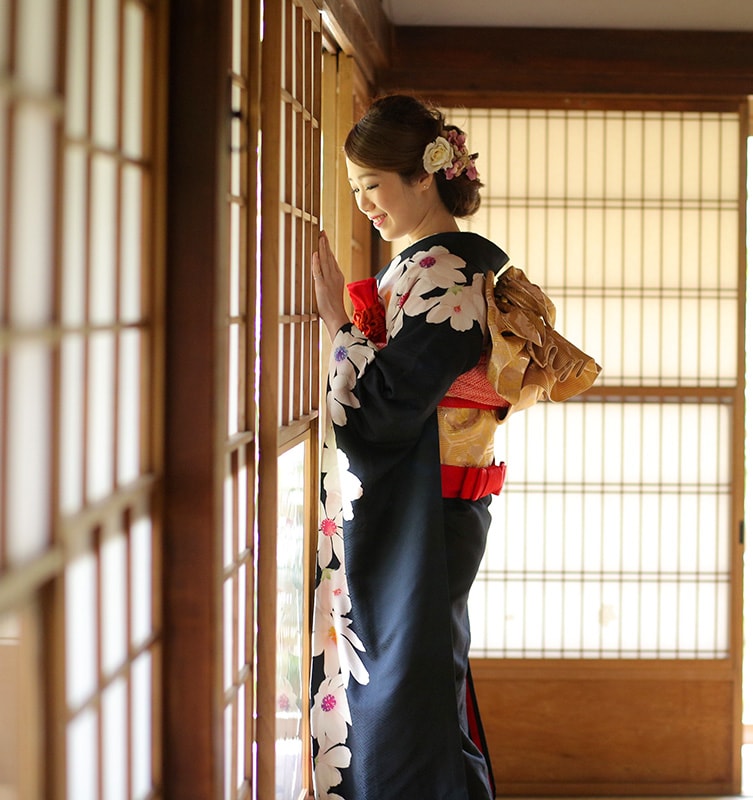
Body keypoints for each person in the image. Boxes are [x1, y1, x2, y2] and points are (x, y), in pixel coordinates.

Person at [308, 94, 509, 800]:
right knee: (411, 683)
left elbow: (389, 409)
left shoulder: (446, 270)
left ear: (425, 176)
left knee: (408, 691)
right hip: (428, 509)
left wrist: (340, 323)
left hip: (429, 515)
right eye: (357, 187)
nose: (365, 202)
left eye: (374, 185)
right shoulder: (425, 267)